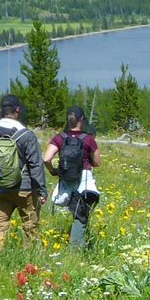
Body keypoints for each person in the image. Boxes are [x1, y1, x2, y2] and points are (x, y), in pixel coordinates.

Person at [0, 93, 45, 259]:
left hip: (0, 190)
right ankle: (31, 262)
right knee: (30, 226)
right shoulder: (26, 135)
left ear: (1, 111)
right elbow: (36, 164)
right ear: (17, 111)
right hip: (25, 190)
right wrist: (41, 189)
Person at [45, 105, 100, 250]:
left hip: (66, 179)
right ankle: (75, 249)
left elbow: (46, 159)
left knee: (75, 210)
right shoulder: (88, 139)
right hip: (84, 179)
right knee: (81, 215)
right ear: (81, 120)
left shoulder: (59, 138)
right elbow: (97, 162)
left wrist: (53, 171)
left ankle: (75, 244)